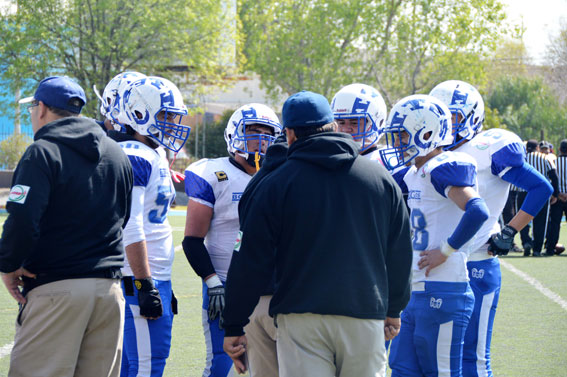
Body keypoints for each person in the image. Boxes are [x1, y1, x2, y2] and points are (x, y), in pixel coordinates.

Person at [222, 91, 412, 377]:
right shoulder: (379, 179)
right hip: (364, 312)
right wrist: (395, 307)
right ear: (333, 126)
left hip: (301, 317)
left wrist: (234, 323)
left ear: (289, 134)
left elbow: (249, 258)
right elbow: (400, 252)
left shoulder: (276, 182)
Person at [0, 76, 133, 377]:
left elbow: (22, 219)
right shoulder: (116, 153)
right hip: (109, 292)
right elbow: (122, 217)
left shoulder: (42, 151)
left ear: (43, 108)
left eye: (32, 107)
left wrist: (8, 264)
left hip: (56, 289)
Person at [430, 80, 553, 377]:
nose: (448, 124)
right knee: (435, 355)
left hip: (476, 262)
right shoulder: (432, 150)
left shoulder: (489, 147)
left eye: (454, 116)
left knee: (473, 357)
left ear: (472, 116)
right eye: (442, 117)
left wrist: (510, 231)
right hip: (435, 265)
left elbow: (540, 187)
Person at [381, 94, 490, 377]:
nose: (398, 142)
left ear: (426, 133)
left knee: (441, 372)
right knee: (402, 370)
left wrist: (446, 250)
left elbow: (478, 210)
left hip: (445, 288)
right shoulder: (413, 173)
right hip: (414, 290)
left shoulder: (440, 167)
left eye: (403, 134)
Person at [182, 103, 282, 377]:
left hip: (271, 287)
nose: (260, 138)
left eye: (267, 132)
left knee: (275, 365)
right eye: (252, 131)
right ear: (234, 133)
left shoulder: (281, 175)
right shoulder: (214, 173)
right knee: (221, 365)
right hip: (225, 284)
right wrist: (213, 284)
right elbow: (192, 240)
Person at [112, 75, 191, 376]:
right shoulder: (135, 155)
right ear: (141, 114)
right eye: (166, 116)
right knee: (147, 366)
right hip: (140, 277)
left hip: (148, 274)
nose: (172, 123)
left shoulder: (150, 152)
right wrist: (146, 283)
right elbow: (130, 224)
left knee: (133, 367)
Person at [519, 140, 559, 256]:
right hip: (541, 193)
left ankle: (526, 242)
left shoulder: (522, 158)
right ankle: (537, 249)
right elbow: (554, 176)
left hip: (523, 191)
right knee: (540, 222)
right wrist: (555, 194)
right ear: (537, 147)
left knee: (522, 220)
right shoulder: (545, 158)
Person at [331, 83, 387, 161]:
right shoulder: (334, 159)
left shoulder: (381, 163)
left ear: (376, 123)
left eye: (354, 123)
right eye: (341, 123)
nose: (345, 130)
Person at [545, 139, 567, 255]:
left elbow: (552, 179)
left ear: (559, 149)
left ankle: (550, 248)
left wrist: (558, 194)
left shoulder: (554, 161)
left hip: (557, 197)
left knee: (554, 223)